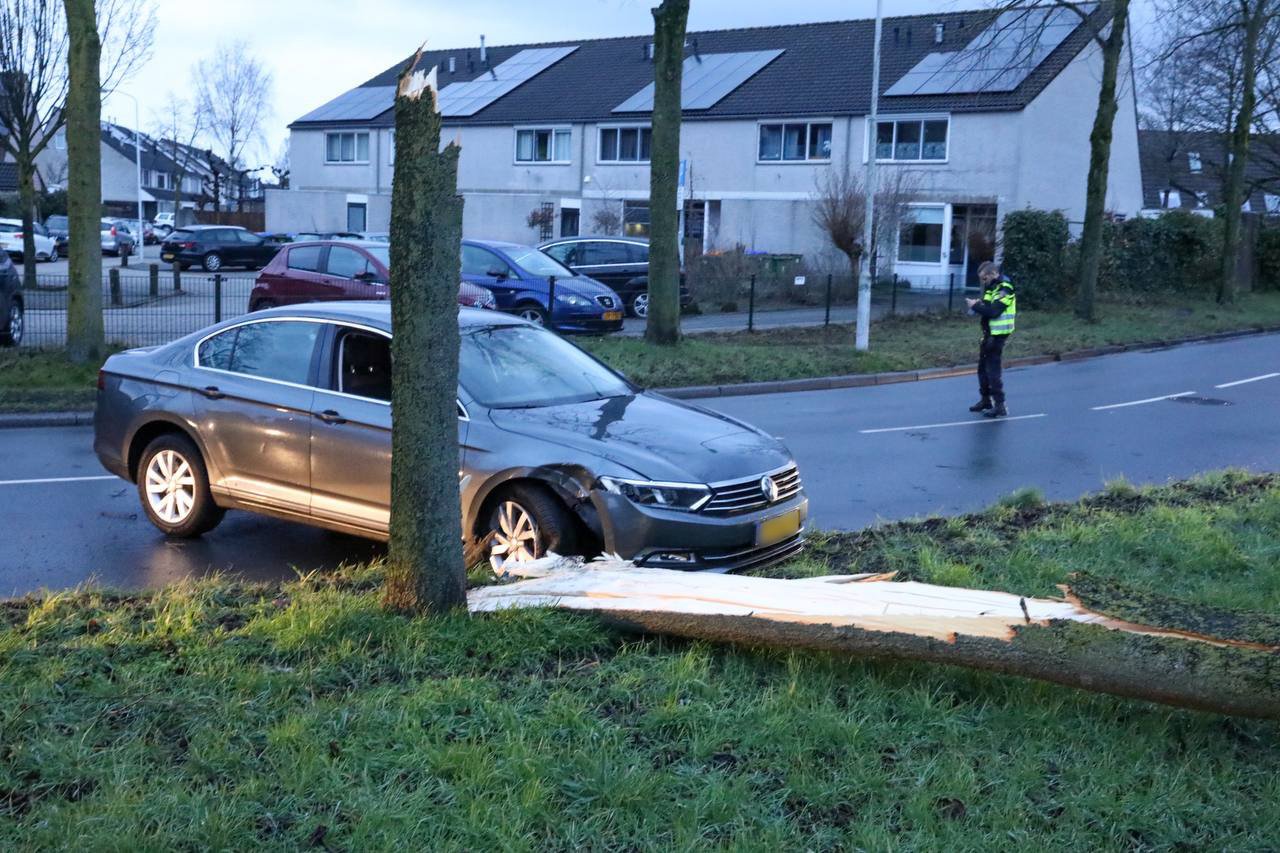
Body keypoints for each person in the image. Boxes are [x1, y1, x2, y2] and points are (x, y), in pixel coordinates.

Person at [965, 261, 1016, 418]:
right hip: (988, 334)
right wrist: (979, 304)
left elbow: (994, 312)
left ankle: (1000, 405)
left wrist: (974, 307)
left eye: (985, 278)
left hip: (998, 335)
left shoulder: (1005, 288)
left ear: (994, 274)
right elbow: (987, 306)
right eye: (982, 279)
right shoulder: (991, 287)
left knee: (993, 371)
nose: (983, 281)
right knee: (982, 369)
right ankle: (986, 400)